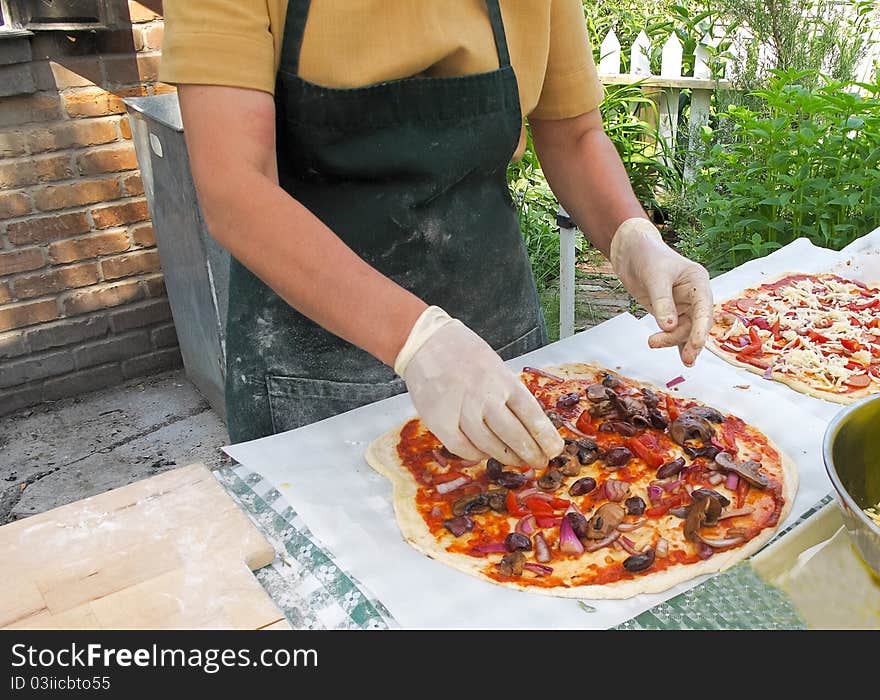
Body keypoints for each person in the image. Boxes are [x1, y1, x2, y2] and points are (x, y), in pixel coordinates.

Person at [160, 0, 712, 466]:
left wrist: (633, 236)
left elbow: (573, 133)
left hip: (500, 335)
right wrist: (417, 339)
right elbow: (235, 187)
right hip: (309, 367)